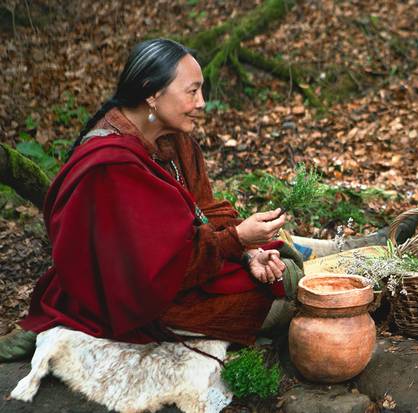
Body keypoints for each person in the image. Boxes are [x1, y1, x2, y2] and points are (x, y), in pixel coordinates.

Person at [0, 38, 308, 360]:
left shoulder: (175, 141)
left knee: (281, 266)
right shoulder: (111, 167)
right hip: (139, 300)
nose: (202, 102)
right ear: (152, 92)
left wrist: (248, 252)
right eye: (192, 91)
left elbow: (204, 212)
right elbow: (154, 270)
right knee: (286, 288)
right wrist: (236, 239)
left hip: (185, 271)